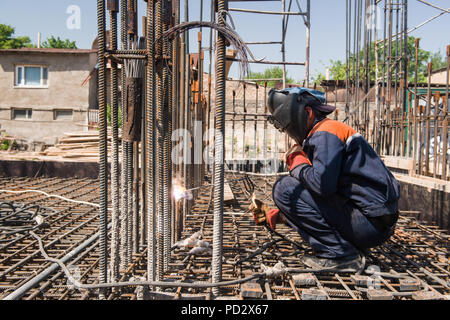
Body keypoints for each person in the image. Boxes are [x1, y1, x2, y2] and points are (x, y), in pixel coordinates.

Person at [250, 87, 400, 271]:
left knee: (285, 188)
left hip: (369, 225)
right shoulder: (328, 132)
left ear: (307, 112)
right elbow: (326, 199)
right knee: (292, 189)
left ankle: (342, 255)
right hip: (375, 223)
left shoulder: (326, 133)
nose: (289, 133)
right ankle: (347, 248)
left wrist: (296, 162)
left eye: (288, 126)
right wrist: (281, 216)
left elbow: (322, 186)